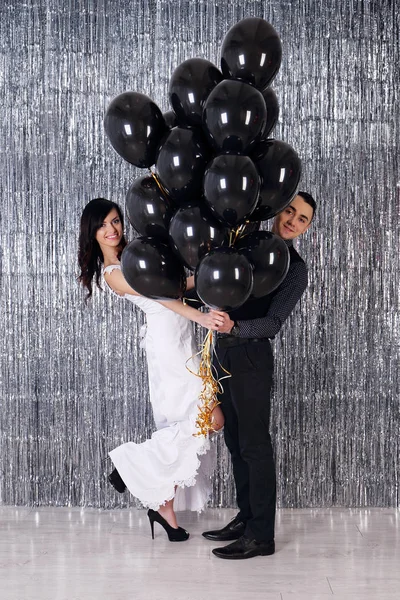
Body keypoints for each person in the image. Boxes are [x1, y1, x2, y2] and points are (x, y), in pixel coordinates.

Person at [78, 198, 225, 542]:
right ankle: (131, 465)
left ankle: (165, 511)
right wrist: (202, 316)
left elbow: (177, 286)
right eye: (103, 226)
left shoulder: (138, 254)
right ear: (93, 234)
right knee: (209, 418)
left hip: (182, 338)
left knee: (188, 424)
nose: (112, 229)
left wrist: (206, 274)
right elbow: (162, 296)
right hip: (166, 345)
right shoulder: (113, 274)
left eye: (115, 221)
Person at [202, 192, 316, 559]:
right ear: (278, 209)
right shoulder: (246, 245)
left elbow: (273, 323)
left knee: (254, 446)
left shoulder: (295, 269)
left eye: (302, 219)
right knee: (235, 441)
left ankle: (261, 537)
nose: (293, 220)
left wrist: (235, 326)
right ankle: (246, 517)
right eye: (290, 211)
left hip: (251, 356)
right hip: (224, 351)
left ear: (307, 228)